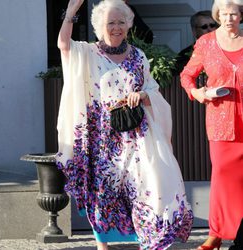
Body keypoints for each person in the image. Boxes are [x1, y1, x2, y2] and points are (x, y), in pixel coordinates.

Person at [56, 0, 193, 249]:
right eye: (110, 22)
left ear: (129, 25)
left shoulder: (139, 56)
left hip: (136, 134)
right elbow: (64, 45)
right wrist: (72, 13)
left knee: (145, 184)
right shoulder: (88, 53)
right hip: (101, 136)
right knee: (103, 189)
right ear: (99, 26)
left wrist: (142, 95)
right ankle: (103, 244)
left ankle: (146, 237)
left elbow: (152, 89)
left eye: (121, 22)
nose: (116, 27)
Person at [180, 0, 243, 249]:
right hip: (221, 121)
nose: (229, 19)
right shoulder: (206, 43)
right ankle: (216, 233)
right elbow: (187, 75)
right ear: (218, 15)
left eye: (234, 14)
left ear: (241, 16)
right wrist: (198, 93)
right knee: (222, 178)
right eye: (224, 14)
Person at [174, 10, 218, 75]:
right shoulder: (183, 57)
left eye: (212, 25)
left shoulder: (227, 49)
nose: (209, 30)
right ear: (194, 31)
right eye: (204, 27)